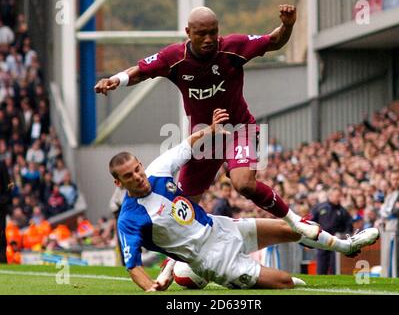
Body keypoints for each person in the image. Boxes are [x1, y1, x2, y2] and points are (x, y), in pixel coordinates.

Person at [95, 4, 321, 240]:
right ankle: (174, 263)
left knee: (243, 184)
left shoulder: (233, 48)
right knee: (183, 207)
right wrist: (116, 80)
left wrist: (288, 24)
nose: (209, 39)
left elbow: (273, 41)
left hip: (238, 129)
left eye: (213, 32)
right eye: (201, 33)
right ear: (188, 32)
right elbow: (141, 70)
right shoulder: (174, 58)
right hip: (204, 138)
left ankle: (296, 222)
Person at [109, 109, 379, 291]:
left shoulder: (157, 170)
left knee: (289, 229)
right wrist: (151, 288)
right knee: (285, 283)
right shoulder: (130, 219)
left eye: (137, 169)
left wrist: (212, 129)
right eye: (129, 176)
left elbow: (186, 146)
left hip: (222, 227)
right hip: (212, 259)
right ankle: (180, 267)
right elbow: (132, 266)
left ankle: (347, 246)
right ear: (119, 183)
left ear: (141, 165)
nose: (138, 176)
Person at [311, 187, 353, 275]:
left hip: (336, 242)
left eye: (339, 196)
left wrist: (342, 236)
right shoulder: (319, 207)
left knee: (335, 265)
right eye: (336, 196)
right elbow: (311, 221)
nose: (338, 198)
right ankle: (320, 280)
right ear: (330, 196)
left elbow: (349, 228)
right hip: (322, 240)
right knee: (321, 265)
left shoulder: (343, 211)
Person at [1, 160, 13, 263]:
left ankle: (2, 260)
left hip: (0, 207)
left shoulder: (1, 164)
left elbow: (9, 186)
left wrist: (3, 201)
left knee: (1, 235)